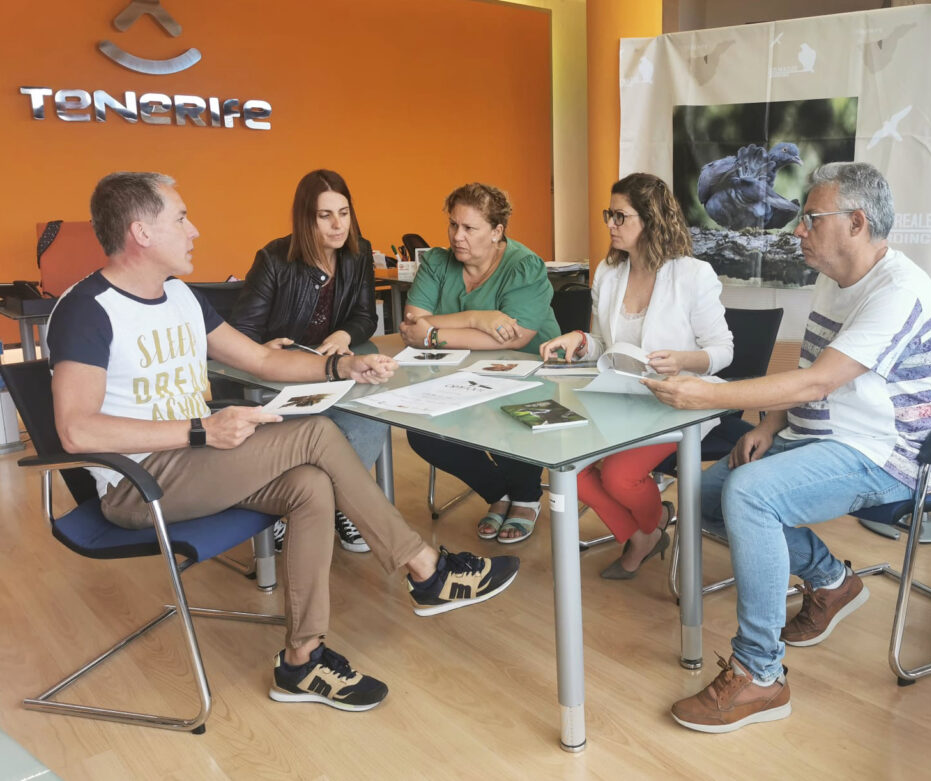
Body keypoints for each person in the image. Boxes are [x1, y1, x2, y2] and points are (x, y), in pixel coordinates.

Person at [47, 172, 520, 713]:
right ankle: (426, 568)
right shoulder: (89, 309)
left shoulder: (179, 296)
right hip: (139, 484)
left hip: (196, 462)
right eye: (181, 218)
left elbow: (261, 358)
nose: (194, 230)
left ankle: (301, 660)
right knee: (316, 432)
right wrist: (200, 430)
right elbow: (77, 430)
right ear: (141, 232)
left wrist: (342, 366)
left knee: (310, 485)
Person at [642, 162, 931, 733]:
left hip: (890, 453)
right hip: (818, 434)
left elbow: (817, 382)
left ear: (856, 223)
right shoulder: (831, 277)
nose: (798, 229)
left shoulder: (899, 291)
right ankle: (833, 580)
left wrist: (708, 393)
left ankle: (760, 675)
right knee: (702, 497)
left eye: (812, 218)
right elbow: (810, 369)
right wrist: (767, 424)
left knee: (750, 494)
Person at [539, 173, 732, 579]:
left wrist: (682, 359)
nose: (610, 224)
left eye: (620, 216)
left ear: (651, 219)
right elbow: (602, 343)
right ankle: (647, 530)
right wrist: (578, 341)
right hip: (620, 396)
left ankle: (644, 531)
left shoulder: (694, 275)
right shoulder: (608, 274)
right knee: (567, 468)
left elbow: (723, 351)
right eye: (609, 214)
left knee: (619, 477)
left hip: (675, 400)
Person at [231, 169, 385, 555]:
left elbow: (366, 315)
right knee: (317, 430)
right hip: (279, 379)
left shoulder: (359, 253)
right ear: (305, 219)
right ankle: (292, 509)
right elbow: (241, 332)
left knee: (374, 414)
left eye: (344, 213)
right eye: (325, 216)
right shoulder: (273, 259)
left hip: (333, 373)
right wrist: (265, 346)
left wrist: (344, 334)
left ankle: (337, 505)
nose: (338, 225)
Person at [399, 183, 561, 543]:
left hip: (529, 374)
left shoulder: (524, 266)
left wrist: (432, 334)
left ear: (496, 231)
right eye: (453, 224)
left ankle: (526, 497)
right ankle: (497, 492)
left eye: (469, 228)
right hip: (458, 376)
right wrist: (478, 318)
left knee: (508, 411)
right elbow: (412, 325)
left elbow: (515, 338)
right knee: (422, 434)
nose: (457, 236)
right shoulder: (437, 262)